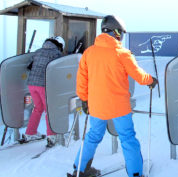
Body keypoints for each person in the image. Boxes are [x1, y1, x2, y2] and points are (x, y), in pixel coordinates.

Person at [70, 15, 158, 177]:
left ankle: (79, 169)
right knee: (127, 138)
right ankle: (135, 173)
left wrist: (84, 99)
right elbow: (139, 76)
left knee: (93, 135)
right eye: (122, 33)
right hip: (119, 107)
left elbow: (81, 80)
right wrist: (151, 80)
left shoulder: (89, 53)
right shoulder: (122, 53)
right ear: (117, 32)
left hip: (96, 106)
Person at [24, 36, 65, 147]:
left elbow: (28, 66)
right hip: (44, 85)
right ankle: (51, 136)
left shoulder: (38, 51)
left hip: (32, 84)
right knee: (49, 110)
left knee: (38, 108)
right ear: (59, 45)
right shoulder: (56, 54)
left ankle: (30, 132)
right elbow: (58, 71)